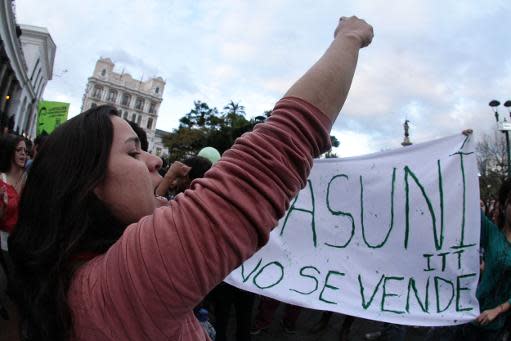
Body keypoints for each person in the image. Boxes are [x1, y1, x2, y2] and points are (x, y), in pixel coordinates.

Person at [8, 16, 373, 341]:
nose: (155, 160)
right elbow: (272, 156)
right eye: (133, 152)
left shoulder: (76, 278)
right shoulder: (125, 284)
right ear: (88, 185)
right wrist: (350, 38)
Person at [0, 134, 27, 322]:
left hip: (23, 241)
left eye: (26, 150)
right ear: (10, 152)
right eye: (19, 150)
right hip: (3, 241)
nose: (24, 154)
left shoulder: (29, 179)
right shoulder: (1, 181)